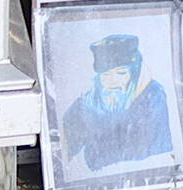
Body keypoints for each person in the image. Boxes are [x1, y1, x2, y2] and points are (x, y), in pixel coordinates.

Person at [61, 33, 174, 173]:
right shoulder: (84, 104)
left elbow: (159, 153)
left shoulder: (152, 95)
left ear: (134, 73)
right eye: (106, 75)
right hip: (94, 181)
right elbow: (65, 156)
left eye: (121, 73)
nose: (113, 81)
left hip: (146, 177)